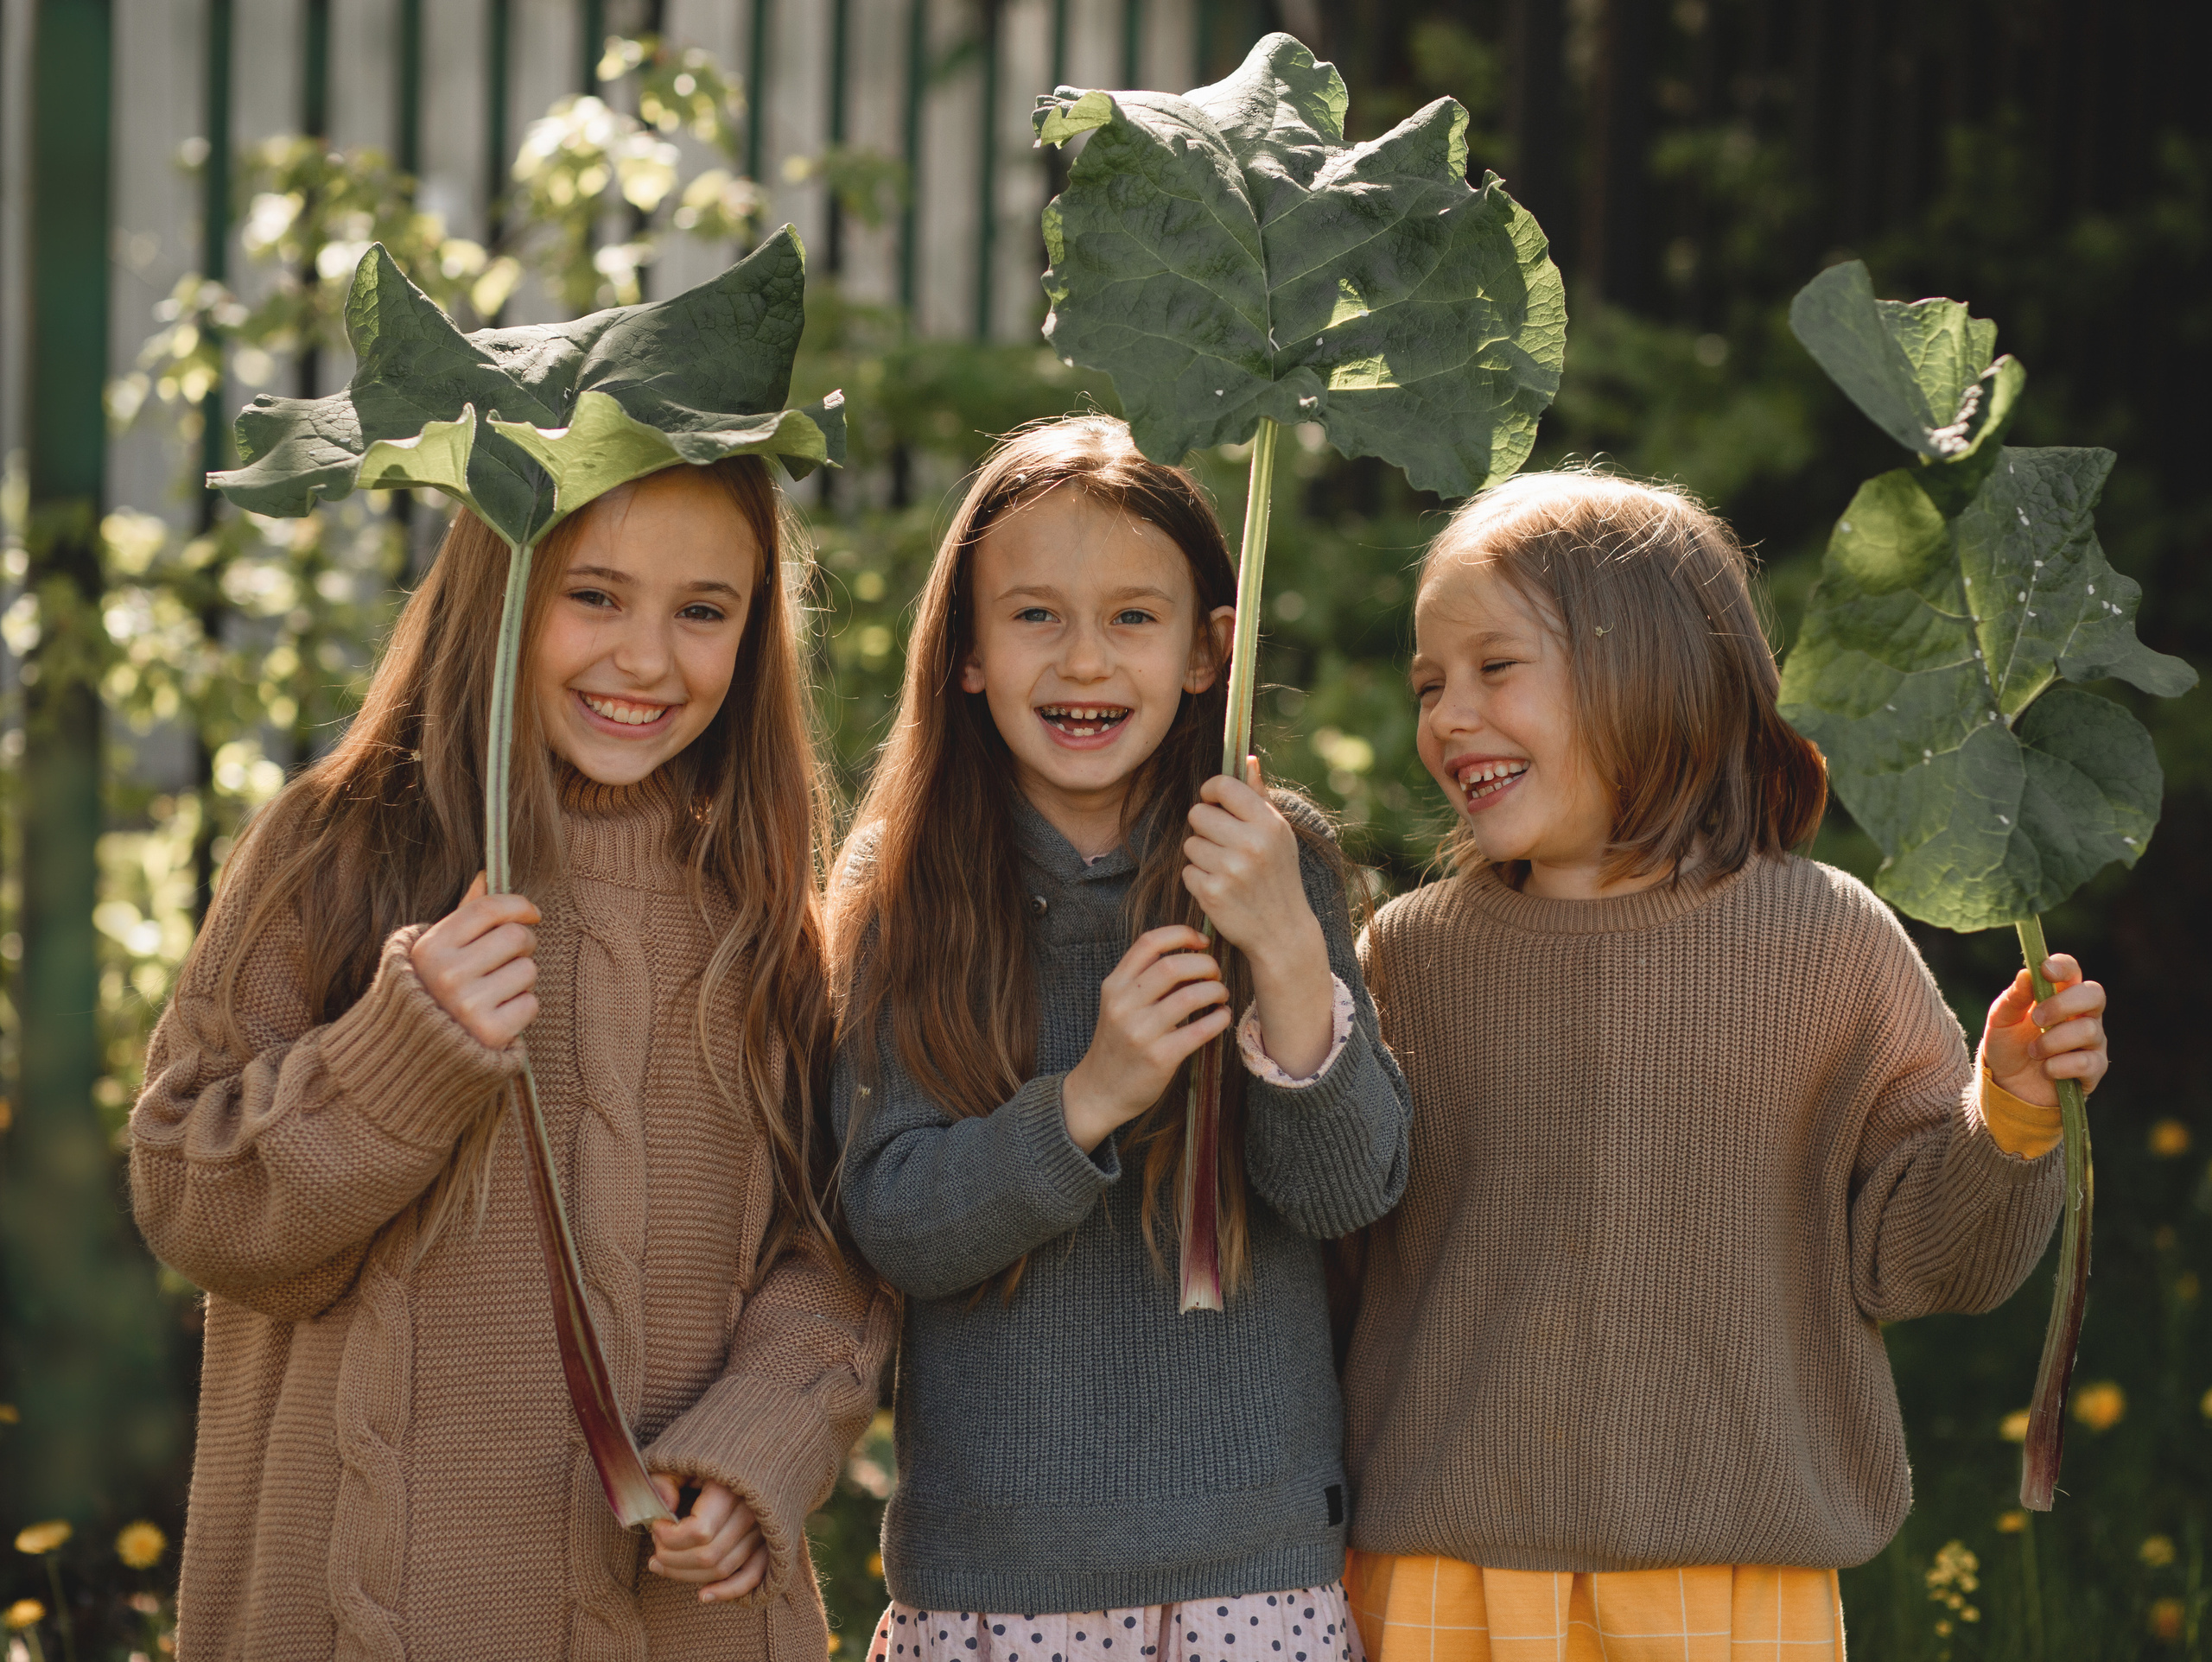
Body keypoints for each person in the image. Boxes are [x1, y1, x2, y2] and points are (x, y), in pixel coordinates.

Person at [130, 459, 893, 1660]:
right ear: (502, 590)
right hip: (364, 1618)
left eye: (703, 610)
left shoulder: (758, 912)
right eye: (595, 596)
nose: (645, 658)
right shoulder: (336, 852)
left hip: (677, 1624)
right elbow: (189, 1201)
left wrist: (761, 1455)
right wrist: (398, 1057)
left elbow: (843, 1249)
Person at [1342, 470, 2107, 1661]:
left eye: (1495, 669)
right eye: (1430, 683)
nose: (1447, 716)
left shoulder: (1830, 942)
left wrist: (2008, 1110)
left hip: (1730, 1587)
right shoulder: (1407, 959)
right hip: (1442, 1575)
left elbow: (1924, 1261)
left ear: (1652, 670)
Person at [830, 416, 1411, 1661]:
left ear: (1211, 653)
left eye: (1134, 618)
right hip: (993, 1587)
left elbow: (1347, 1189)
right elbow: (894, 1219)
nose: (1084, 661)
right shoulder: (907, 882)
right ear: (969, 653)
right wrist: (1089, 1097)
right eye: (1035, 615)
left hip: (1250, 1576)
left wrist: (1291, 961)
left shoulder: (1271, 853)